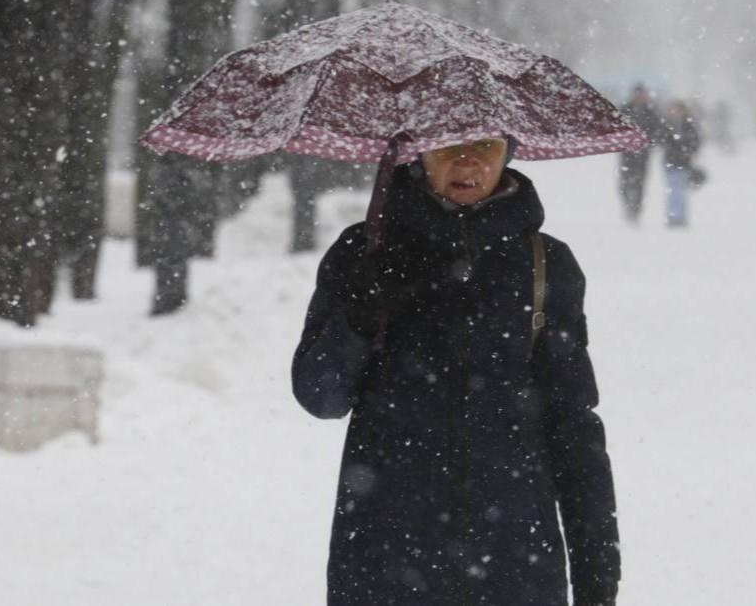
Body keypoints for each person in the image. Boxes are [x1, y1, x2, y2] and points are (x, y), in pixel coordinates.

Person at [292, 136, 621, 606]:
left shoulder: (544, 264)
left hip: (516, 560)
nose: (467, 160)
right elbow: (320, 397)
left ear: (507, 152)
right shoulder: (364, 250)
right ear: (416, 153)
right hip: (384, 560)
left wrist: (597, 577)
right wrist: (358, 317)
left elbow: (573, 428)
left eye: (485, 144)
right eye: (446, 144)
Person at [617, 84, 665, 223]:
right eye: (637, 94)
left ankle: (636, 209)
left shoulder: (651, 111)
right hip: (627, 153)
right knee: (625, 182)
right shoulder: (625, 109)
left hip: (643, 154)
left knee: (640, 182)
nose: (639, 97)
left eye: (642, 94)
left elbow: (658, 131)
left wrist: (649, 141)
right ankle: (627, 205)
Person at [661, 100, 701, 228]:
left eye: (678, 110)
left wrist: (688, 151)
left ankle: (681, 217)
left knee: (681, 192)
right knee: (673, 191)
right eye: (673, 110)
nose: (675, 112)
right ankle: (673, 216)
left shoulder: (689, 125)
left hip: (684, 164)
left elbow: (695, 142)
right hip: (670, 163)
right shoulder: (667, 125)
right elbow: (662, 140)